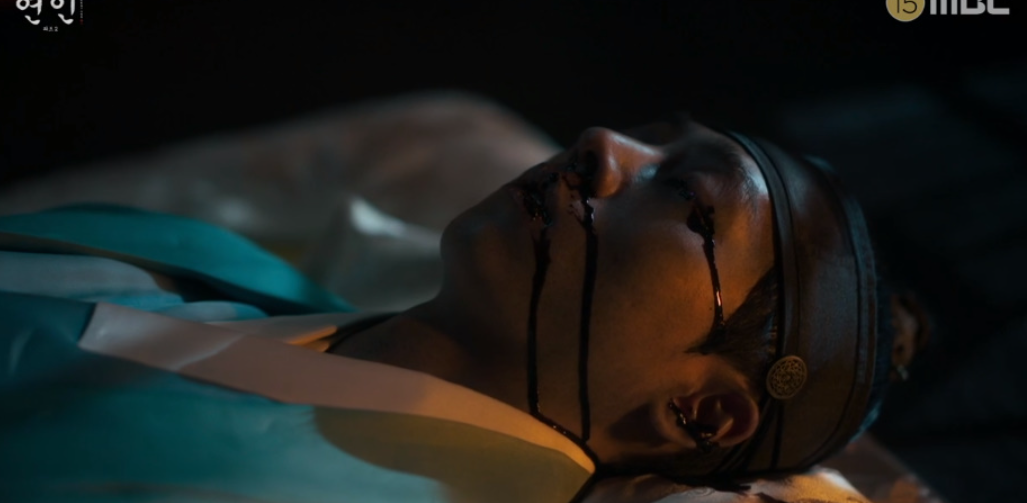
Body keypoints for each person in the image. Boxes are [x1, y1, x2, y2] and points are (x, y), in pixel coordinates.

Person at [0, 114, 925, 503]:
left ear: (701, 409)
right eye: (655, 145)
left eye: (686, 196)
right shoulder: (219, 262)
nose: (601, 143)